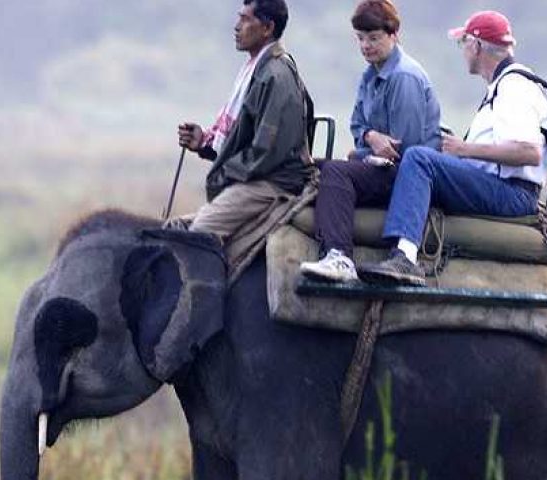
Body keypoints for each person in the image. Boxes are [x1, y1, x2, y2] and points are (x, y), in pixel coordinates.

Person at [358, 10, 547, 287]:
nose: (463, 52)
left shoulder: (514, 86)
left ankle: (405, 256)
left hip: (512, 193)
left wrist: (464, 150)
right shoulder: (501, 86)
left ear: (477, 46)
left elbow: (528, 152)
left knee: (419, 159)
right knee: (426, 156)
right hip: (499, 185)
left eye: (464, 44)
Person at [298, 0, 441, 283]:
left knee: (337, 171)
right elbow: (357, 124)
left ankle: (339, 255)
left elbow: (406, 151)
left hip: (407, 177)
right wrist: (370, 138)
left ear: (393, 35)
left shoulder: (404, 78)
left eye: (374, 38)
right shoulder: (371, 73)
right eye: (361, 39)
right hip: (379, 163)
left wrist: (363, 153)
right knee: (312, 165)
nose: (366, 46)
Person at [176, 0, 316, 241]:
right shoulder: (256, 70)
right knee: (174, 227)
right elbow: (244, 139)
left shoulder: (275, 76)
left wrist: (223, 171)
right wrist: (205, 144)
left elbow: (265, 152)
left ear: (267, 28)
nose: (237, 26)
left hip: (272, 183)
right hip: (256, 177)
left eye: (245, 19)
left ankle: (213, 281)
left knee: (200, 233)